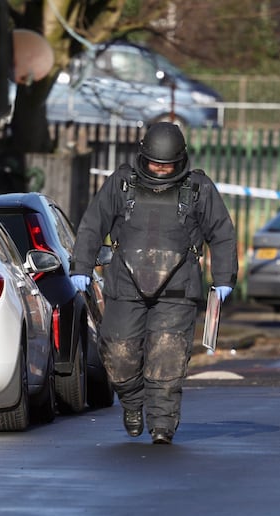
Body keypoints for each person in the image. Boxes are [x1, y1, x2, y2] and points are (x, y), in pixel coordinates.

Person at [69, 122, 238, 444]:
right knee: (118, 355)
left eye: (167, 165)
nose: (161, 170)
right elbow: (92, 225)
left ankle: (162, 425)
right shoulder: (121, 184)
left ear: (180, 161)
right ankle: (132, 402)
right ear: (143, 158)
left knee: (167, 356)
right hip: (125, 285)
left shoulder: (198, 187)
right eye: (155, 164)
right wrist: (82, 265)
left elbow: (222, 233)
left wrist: (224, 279)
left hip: (178, 287)